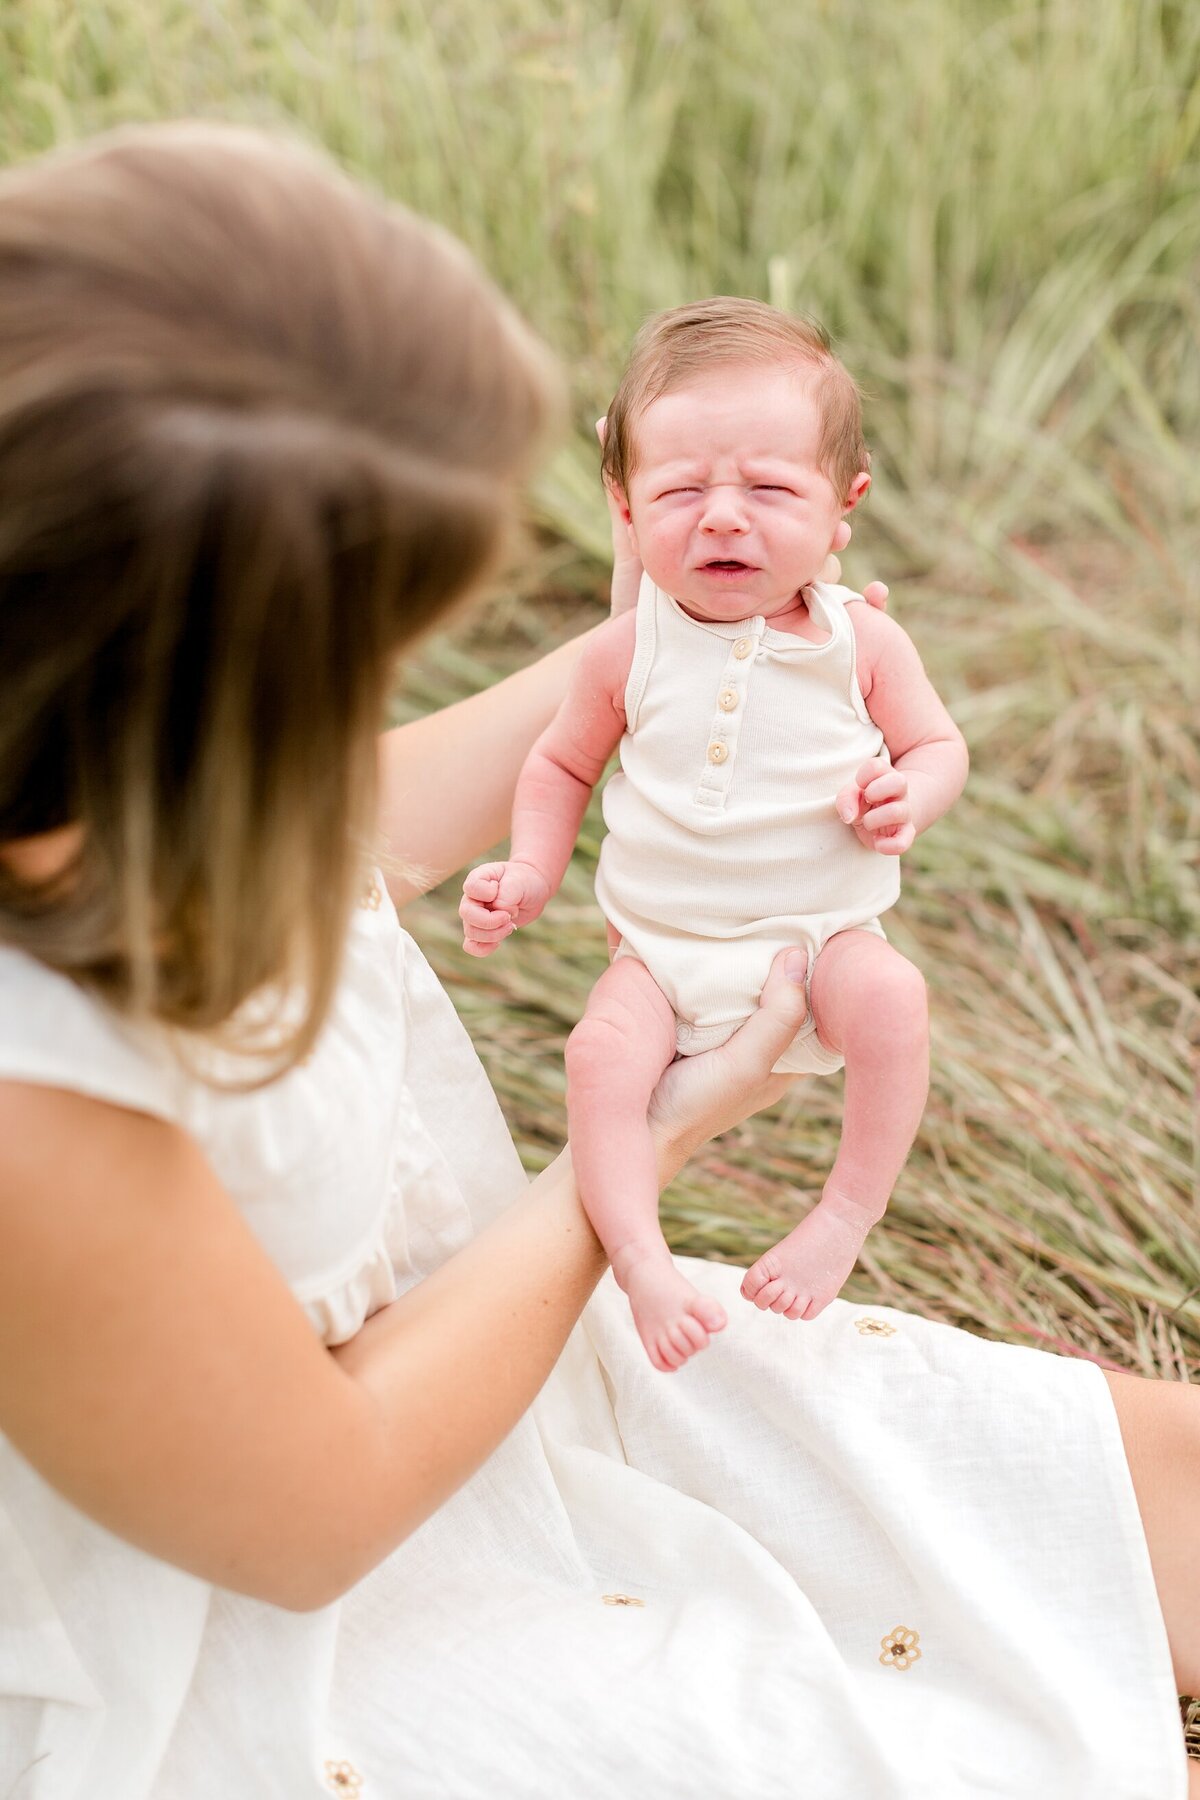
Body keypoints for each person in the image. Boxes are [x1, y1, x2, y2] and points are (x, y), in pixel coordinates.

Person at [0, 122, 1195, 1800]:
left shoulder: (109, 774)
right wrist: (649, 1148)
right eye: (355, 639)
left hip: (521, 1388)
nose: (380, 685)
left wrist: (705, 630)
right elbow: (316, 1509)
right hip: (270, 1624)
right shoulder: (28, 1105)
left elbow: (367, 817)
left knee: (1136, 1483)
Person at [460, 301, 968, 1371]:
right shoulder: (624, 648)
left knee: (894, 1001)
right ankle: (641, 1260)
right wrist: (530, 869)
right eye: (680, 491)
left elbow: (937, 746)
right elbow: (560, 763)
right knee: (600, 1057)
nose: (723, 520)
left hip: (820, 935)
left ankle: (843, 1217)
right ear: (624, 506)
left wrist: (910, 795)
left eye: (772, 491)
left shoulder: (860, 640)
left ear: (845, 509)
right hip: (659, 954)